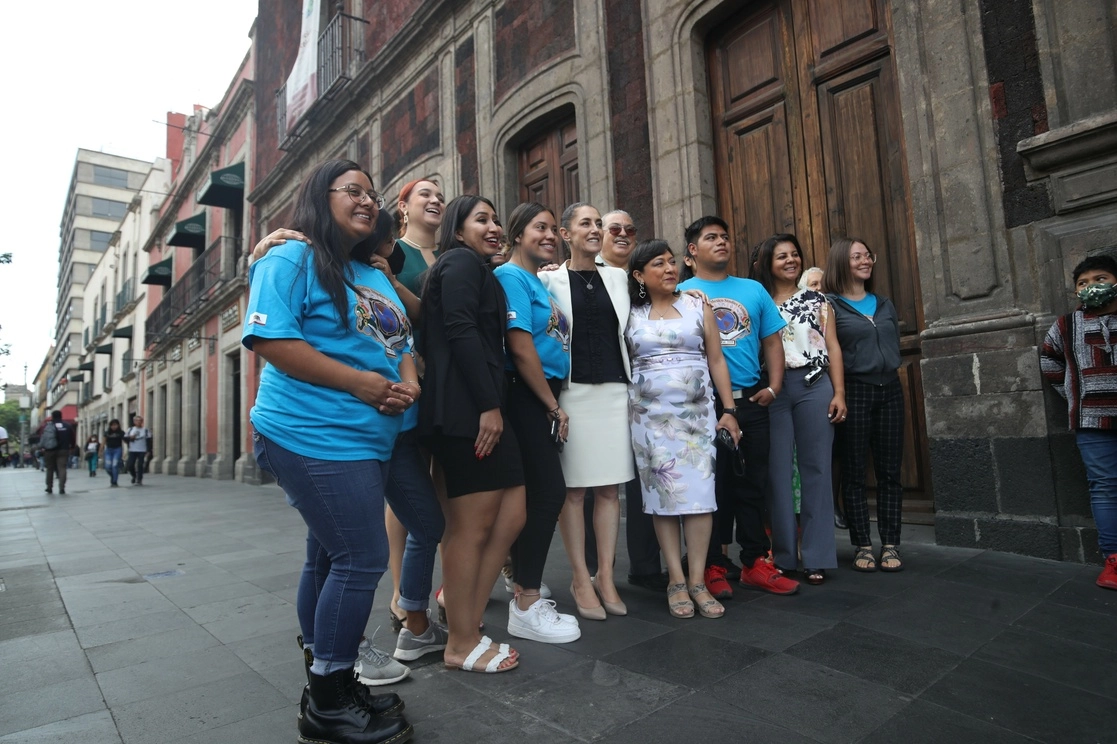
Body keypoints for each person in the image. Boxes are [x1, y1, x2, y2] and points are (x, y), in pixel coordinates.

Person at [244, 159, 414, 743]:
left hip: (366, 439)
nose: (367, 200)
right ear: (321, 196)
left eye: (373, 193)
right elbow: (269, 338)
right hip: (310, 434)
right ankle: (328, 705)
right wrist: (358, 383)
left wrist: (408, 379)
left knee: (326, 557)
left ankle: (330, 679)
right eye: (353, 191)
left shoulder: (368, 269)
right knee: (362, 559)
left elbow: (402, 339)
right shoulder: (289, 256)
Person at [418, 194, 525, 673]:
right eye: (481, 219)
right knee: (470, 527)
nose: (495, 226)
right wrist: (487, 405)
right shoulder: (460, 262)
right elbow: (460, 330)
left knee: (512, 513)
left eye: (496, 218)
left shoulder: (473, 268)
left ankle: (467, 620)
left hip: (481, 405)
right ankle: (460, 642)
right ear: (457, 232)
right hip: (466, 409)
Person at [679, 216, 798, 595]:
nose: (722, 242)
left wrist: (775, 387)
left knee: (752, 485)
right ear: (692, 251)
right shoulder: (680, 291)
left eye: (725, 237)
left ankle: (754, 562)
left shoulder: (753, 290)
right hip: (703, 406)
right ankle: (712, 564)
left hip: (751, 402)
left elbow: (772, 342)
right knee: (710, 490)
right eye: (711, 237)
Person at [626, 239, 741, 618]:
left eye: (672, 262)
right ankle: (675, 580)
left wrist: (729, 409)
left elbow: (717, 359)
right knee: (663, 498)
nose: (670, 268)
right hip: (649, 418)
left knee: (700, 496)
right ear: (639, 275)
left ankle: (697, 580)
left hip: (696, 416)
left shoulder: (696, 304)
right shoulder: (629, 311)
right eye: (658, 263)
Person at [539, 203, 634, 620]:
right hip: (572, 394)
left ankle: (606, 576)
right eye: (587, 224)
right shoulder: (547, 280)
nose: (596, 229)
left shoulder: (619, 277)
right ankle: (580, 577)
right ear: (565, 233)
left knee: (610, 489)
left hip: (614, 392)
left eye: (599, 224)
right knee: (574, 492)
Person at [493, 202, 582, 643]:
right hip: (526, 394)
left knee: (530, 496)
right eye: (538, 227)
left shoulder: (533, 280)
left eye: (552, 228)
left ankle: (520, 581)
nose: (549, 234)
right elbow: (520, 345)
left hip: (541, 392)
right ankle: (526, 601)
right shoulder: (510, 277)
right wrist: (550, 404)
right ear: (516, 234)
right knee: (548, 492)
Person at [752, 234, 846, 584]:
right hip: (773, 390)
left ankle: (818, 556)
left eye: (795, 255)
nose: (790, 261)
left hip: (814, 386)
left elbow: (833, 347)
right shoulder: (758, 301)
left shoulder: (818, 300)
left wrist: (839, 393)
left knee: (817, 470)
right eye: (781, 256)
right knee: (777, 472)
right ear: (767, 263)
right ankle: (785, 555)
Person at [824, 237, 905, 573]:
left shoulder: (884, 303)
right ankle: (861, 545)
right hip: (855, 391)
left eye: (867, 255)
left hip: (890, 391)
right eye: (856, 256)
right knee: (854, 473)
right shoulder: (830, 304)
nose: (864, 261)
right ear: (842, 261)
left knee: (889, 473)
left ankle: (890, 544)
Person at [1041, 254, 1117, 590]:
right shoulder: (1065, 325)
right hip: (1090, 419)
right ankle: (1114, 560)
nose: (1091, 287)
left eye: (1100, 279)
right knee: (1104, 487)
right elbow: (1048, 358)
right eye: (1083, 283)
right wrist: (1071, 392)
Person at [41, 411, 74, 495]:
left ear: (52, 416)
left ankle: (49, 487)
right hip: (63, 450)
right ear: (61, 416)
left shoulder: (48, 426)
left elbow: (43, 437)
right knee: (62, 468)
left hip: (50, 450)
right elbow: (72, 437)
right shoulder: (67, 425)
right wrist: (72, 447)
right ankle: (62, 488)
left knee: (50, 469)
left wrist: (43, 447)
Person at [125, 416, 151, 486]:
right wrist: (130, 438)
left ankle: (139, 479)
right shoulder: (130, 430)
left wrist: (149, 451)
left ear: (142, 422)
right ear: (134, 422)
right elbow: (125, 439)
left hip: (142, 450)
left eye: (140, 420)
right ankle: (134, 476)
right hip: (132, 450)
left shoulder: (145, 430)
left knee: (140, 465)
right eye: (136, 420)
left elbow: (149, 441)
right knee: (130, 465)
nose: (138, 422)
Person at [102, 419, 125, 487]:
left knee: (115, 465)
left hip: (117, 450)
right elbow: (103, 442)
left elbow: (126, 440)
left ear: (118, 425)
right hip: (109, 450)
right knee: (107, 467)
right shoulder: (107, 433)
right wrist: (100, 451)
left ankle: (114, 481)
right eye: (112, 425)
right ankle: (113, 476)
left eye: (115, 425)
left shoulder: (121, 433)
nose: (114, 426)